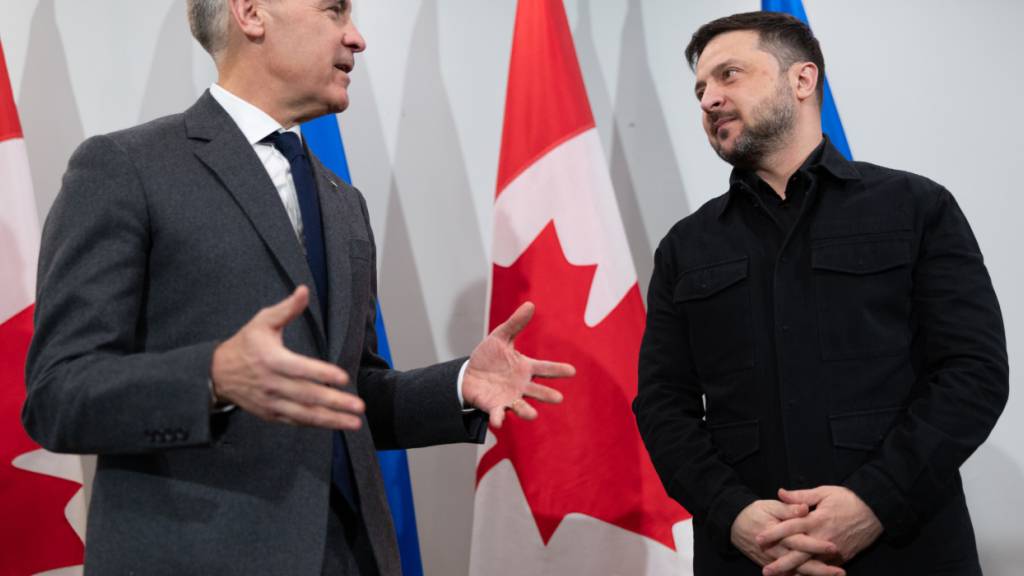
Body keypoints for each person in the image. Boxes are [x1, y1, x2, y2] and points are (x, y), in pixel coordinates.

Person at [21, 1, 574, 574]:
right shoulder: (125, 168)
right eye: (334, 10)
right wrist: (212, 377)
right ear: (252, 13)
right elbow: (58, 396)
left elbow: (344, 392)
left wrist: (458, 384)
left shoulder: (343, 202)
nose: (356, 38)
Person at [634, 11, 1008, 576]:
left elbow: (973, 372)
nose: (709, 99)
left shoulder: (916, 207)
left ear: (803, 80)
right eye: (701, 89)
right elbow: (663, 405)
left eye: (729, 75)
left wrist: (874, 502)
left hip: (907, 552)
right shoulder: (685, 247)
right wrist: (733, 513)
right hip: (748, 558)